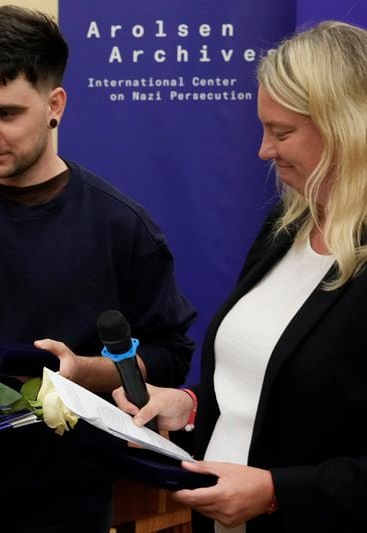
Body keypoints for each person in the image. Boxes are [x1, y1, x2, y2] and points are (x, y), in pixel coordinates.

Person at [0, 6, 196, 532]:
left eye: (6, 113)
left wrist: (83, 371)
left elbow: (168, 356)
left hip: (70, 500)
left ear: (55, 105)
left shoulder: (121, 226)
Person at [113, 20, 367, 533]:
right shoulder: (286, 226)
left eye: (282, 132)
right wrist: (186, 404)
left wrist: (277, 493)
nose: (264, 150)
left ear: (347, 126)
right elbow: (266, 384)